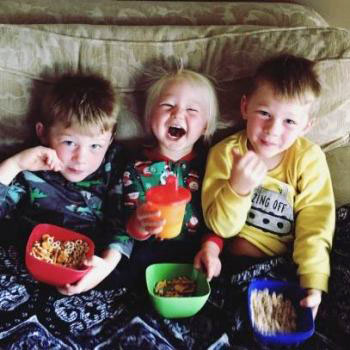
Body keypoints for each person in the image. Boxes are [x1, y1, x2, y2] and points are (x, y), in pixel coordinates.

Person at [201, 54, 335, 318]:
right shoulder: (224, 154)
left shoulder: (308, 158)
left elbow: (316, 223)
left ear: (306, 126)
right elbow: (219, 226)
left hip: (287, 265)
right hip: (233, 265)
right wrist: (237, 188)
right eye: (264, 113)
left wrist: (313, 281)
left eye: (289, 122)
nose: (273, 129)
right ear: (245, 107)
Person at [0, 73, 126, 295]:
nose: (81, 159)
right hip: (29, 265)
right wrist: (14, 165)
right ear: (43, 133)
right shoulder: (29, 167)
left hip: (93, 267)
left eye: (95, 146)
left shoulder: (113, 166)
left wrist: (107, 265)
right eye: (69, 142)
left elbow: (124, 220)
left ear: (111, 139)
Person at [113, 66, 223, 283]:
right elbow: (125, 225)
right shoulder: (133, 166)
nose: (178, 113)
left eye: (192, 110)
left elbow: (218, 220)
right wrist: (140, 224)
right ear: (150, 116)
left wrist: (212, 250)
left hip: (197, 255)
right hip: (147, 257)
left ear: (206, 127)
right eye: (167, 105)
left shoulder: (211, 166)